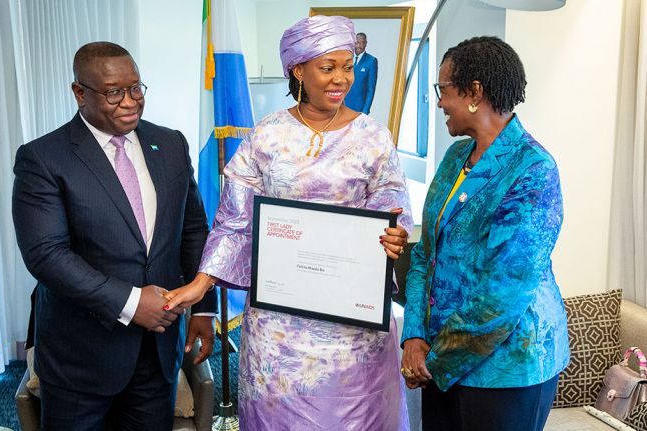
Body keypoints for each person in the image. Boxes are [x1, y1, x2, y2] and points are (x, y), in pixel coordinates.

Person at [164, 15, 411, 431]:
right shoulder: (267, 135)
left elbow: (391, 203)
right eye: (328, 67)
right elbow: (233, 222)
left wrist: (394, 232)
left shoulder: (373, 136)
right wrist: (202, 282)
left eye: (347, 66)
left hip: (352, 323)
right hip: (281, 328)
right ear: (298, 70)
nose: (341, 79)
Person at [11, 41, 217, 430]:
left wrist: (204, 308)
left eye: (136, 88)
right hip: (81, 354)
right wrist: (132, 302)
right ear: (79, 93)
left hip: (157, 349)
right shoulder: (43, 157)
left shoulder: (171, 144)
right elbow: (46, 255)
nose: (130, 102)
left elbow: (192, 229)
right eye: (113, 92)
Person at [400, 36, 570, 431]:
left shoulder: (533, 171)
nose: (439, 102)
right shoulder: (454, 158)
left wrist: (433, 361)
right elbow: (425, 254)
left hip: (507, 368)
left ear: (474, 92)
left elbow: (503, 295)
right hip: (437, 357)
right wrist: (413, 337)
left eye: (443, 90)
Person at [344, 32, 378, 115]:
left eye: (361, 43)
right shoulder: (347, 59)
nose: (358, 46)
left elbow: (371, 89)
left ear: (366, 43)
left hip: (359, 110)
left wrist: (365, 111)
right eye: (356, 43)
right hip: (343, 108)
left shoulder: (371, 61)